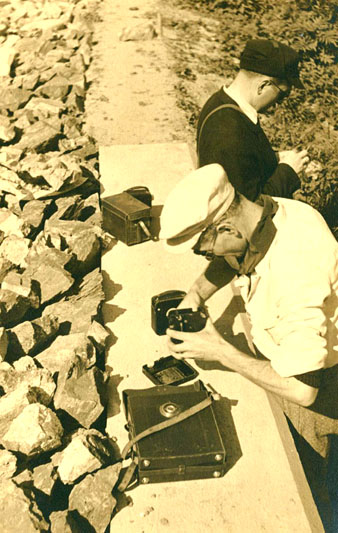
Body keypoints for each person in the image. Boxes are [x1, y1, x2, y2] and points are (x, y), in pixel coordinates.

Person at [159, 163, 338, 531]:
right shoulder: (265, 215)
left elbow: (303, 390)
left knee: (309, 493)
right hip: (287, 355)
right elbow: (234, 257)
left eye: (201, 248)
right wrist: (195, 295)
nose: (205, 256)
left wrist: (221, 350)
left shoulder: (295, 269)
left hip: (320, 389)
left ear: (226, 226)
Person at [197, 39, 310, 201]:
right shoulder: (229, 129)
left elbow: (243, 161)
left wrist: (275, 158)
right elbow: (250, 205)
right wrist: (288, 171)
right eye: (282, 94)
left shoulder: (222, 102)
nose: (280, 103)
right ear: (263, 86)